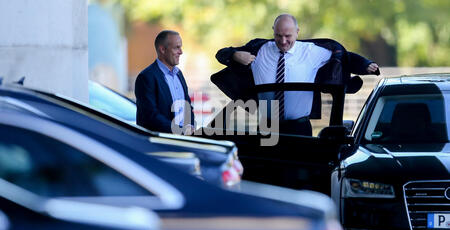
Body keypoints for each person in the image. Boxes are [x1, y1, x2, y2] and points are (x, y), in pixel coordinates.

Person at [212, 14, 379, 135]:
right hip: (266, 127)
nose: (283, 41)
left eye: (288, 36)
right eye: (278, 35)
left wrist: (365, 65)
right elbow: (221, 54)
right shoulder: (259, 49)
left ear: (297, 32)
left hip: (300, 128)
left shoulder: (312, 51)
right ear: (273, 31)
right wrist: (234, 55)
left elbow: (344, 56)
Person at [135, 30, 195, 135]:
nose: (181, 52)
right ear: (162, 49)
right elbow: (151, 117)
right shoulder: (146, 77)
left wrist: (190, 127)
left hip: (185, 141)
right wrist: (180, 130)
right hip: (161, 144)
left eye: (180, 47)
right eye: (177, 47)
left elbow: (187, 106)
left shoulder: (179, 74)